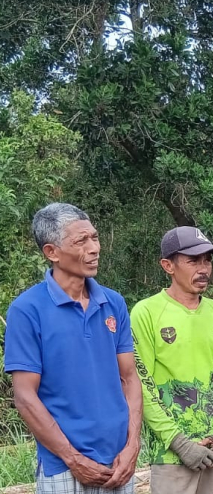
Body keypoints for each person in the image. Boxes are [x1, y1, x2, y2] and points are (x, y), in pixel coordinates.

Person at [3, 202, 143, 493]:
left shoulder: (113, 303)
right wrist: (72, 458)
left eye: (95, 237)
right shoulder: (28, 309)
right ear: (52, 252)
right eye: (81, 241)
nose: (94, 248)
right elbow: (25, 397)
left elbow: (129, 378)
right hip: (63, 468)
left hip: (118, 462)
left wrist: (132, 445)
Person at [130, 226, 213, 494]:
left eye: (207, 260)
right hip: (171, 454)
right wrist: (179, 443)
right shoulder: (146, 313)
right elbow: (139, 383)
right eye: (193, 261)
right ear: (167, 265)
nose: (203, 269)